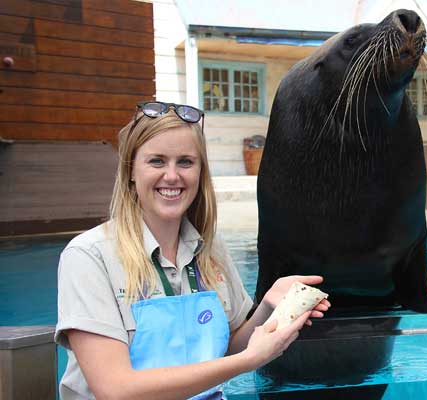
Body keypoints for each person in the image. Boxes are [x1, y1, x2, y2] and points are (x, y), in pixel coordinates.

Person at [55, 101, 330, 399]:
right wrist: (249, 361)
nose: (172, 176)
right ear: (131, 171)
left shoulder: (211, 249)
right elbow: (116, 389)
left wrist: (268, 306)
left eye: (185, 162)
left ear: (200, 172)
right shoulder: (89, 257)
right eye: (157, 161)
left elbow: (226, 345)